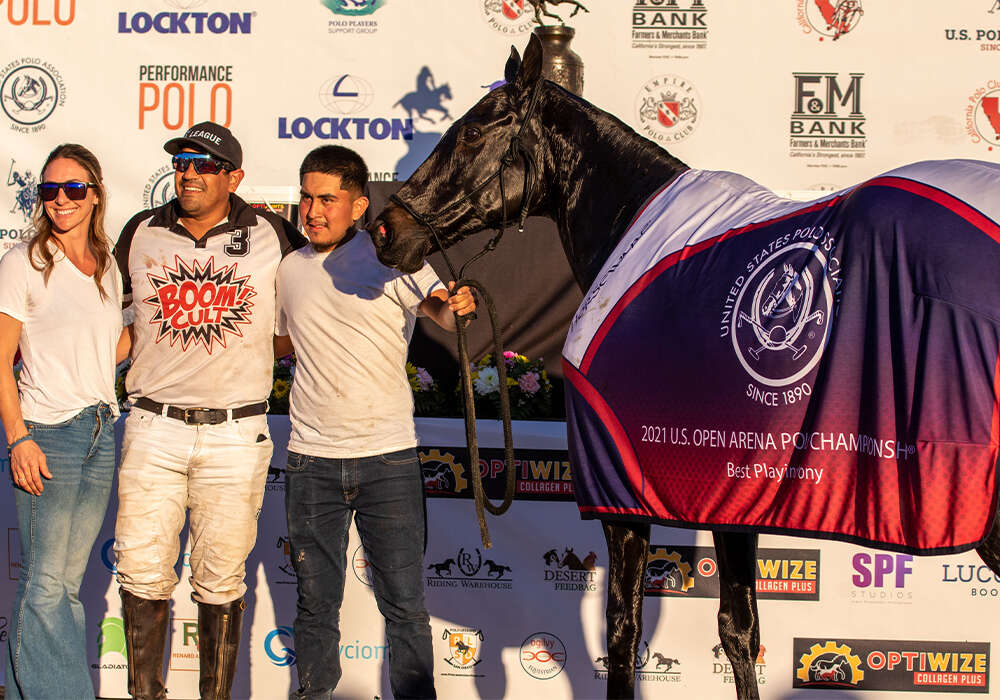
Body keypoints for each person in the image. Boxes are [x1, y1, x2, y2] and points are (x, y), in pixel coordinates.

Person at [274, 145, 475, 699]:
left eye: (328, 200)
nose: (313, 211)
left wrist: (453, 303)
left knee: (406, 605)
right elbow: (278, 341)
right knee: (315, 604)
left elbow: (436, 305)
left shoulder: (395, 256)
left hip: (388, 459)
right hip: (311, 461)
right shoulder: (288, 269)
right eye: (307, 198)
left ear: (359, 205)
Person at [113, 122, 304, 700]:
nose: (189, 173)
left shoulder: (272, 232)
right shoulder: (141, 231)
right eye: (182, 162)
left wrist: (250, 352)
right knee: (142, 571)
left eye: (205, 164)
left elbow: (304, 314)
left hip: (234, 429)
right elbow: (118, 323)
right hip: (152, 424)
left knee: (221, 578)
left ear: (234, 177)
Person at [1, 144, 128, 699]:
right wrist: (18, 438)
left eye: (73, 189)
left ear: (95, 194)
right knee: (46, 585)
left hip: (101, 429)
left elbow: (110, 349)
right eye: (49, 190)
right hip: (48, 431)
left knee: (64, 588)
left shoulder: (107, 265)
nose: (60, 200)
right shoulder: (24, 261)